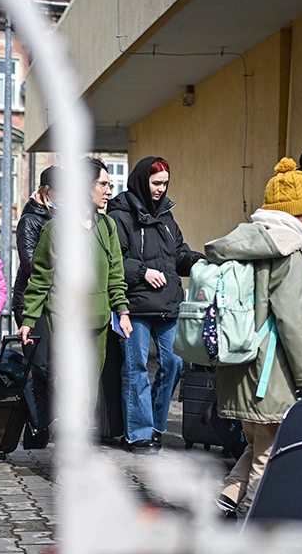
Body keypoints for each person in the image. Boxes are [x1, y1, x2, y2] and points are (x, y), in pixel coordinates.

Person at [211, 158, 302, 519]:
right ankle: (251, 521)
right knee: (268, 454)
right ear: (296, 215)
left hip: (237, 364)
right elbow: (294, 321)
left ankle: (228, 496)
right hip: (270, 373)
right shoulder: (287, 253)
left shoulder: (239, 241)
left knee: (256, 442)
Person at [106, 157, 202, 453]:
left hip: (168, 304)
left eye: (165, 184)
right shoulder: (119, 216)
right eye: (156, 183)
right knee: (135, 368)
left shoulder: (168, 218)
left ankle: (157, 425)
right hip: (134, 305)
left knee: (174, 362)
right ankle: (138, 433)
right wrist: (142, 272)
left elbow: (179, 256)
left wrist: (203, 261)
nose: (161, 189)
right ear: (141, 181)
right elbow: (113, 260)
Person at [19, 157, 132, 374]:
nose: (109, 190)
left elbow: (115, 275)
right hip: (64, 322)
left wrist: (122, 312)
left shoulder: (108, 227)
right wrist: (29, 319)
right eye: (103, 184)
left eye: (109, 185)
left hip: (98, 323)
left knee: (90, 393)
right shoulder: (55, 228)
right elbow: (40, 278)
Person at [12, 166, 58, 326]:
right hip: (31, 301)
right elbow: (30, 263)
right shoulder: (30, 219)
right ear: (46, 191)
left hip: (55, 300)